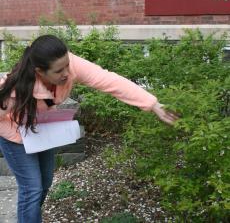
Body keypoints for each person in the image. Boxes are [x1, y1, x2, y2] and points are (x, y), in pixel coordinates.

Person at [0, 35, 178, 223]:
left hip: (41, 131)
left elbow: (110, 80)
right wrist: (18, 134)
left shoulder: (69, 66)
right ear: (40, 72)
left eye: (67, 65)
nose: (68, 73)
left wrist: (153, 104)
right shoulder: (16, 89)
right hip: (15, 136)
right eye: (59, 71)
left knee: (44, 185)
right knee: (32, 189)